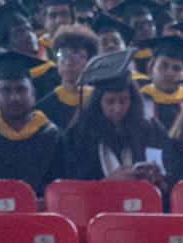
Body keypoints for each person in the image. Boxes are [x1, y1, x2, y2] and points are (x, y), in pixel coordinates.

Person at [53, 50, 165, 181]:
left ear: (133, 101)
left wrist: (158, 179)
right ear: (97, 103)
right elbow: (71, 191)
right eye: (109, 102)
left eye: (123, 101)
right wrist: (108, 182)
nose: (117, 109)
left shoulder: (152, 131)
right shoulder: (78, 137)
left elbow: (169, 184)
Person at [0, 51, 65, 193]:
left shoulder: (54, 137)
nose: (14, 97)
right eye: (6, 90)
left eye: (21, 89)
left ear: (33, 93)